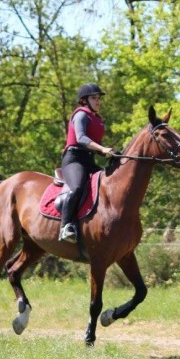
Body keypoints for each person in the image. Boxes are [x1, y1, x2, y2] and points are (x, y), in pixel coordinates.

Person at [59, 83, 115, 243]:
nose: (98, 101)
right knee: (76, 188)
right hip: (73, 160)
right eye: (94, 98)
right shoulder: (81, 115)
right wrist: (103, 149)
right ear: (84, 100)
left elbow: (95, 146)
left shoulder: (97, 119)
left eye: (98, 98)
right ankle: (65, 226)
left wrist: (112, 154)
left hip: (88, 160)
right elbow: (81, 138)